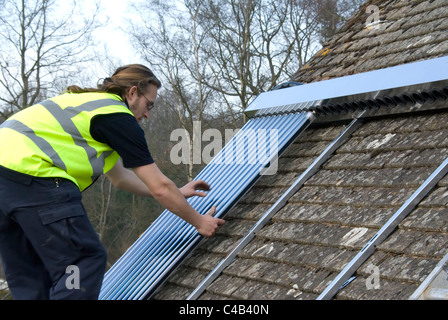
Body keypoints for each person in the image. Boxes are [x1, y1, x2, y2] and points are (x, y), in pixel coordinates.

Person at [0, 64, 225, 300]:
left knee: (31, 274)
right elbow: (160, 186)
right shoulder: (118, 116)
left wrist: (177, 192)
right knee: (83, 259)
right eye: (149, 105)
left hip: (7, 183)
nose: (147, 114)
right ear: (132, 92)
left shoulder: (89, 106)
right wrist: (199, 221)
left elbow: (120, 178)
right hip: (34, 174)